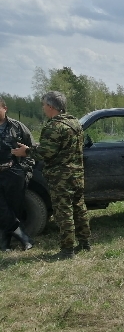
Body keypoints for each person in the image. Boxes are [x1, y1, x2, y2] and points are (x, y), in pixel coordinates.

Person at [13, 91, 91, 259]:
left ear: (50, 106)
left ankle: (67, 250)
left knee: (64, 212)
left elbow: (45, 153)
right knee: (79, 208)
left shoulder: (53, 126)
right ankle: (85, 243)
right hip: (76, 173)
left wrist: (25, 151)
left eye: (43, 105)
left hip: (60, 177)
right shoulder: (74, 123)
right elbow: (62, 146)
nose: (43, 108)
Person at [0, 97, 34, 251]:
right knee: (2, 209)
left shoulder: (17, 127)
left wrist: (24, 170)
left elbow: (31, 149)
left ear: (4, 108)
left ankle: (4, 243)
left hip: (14, 172)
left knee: (14, 208)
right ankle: (24, 237)